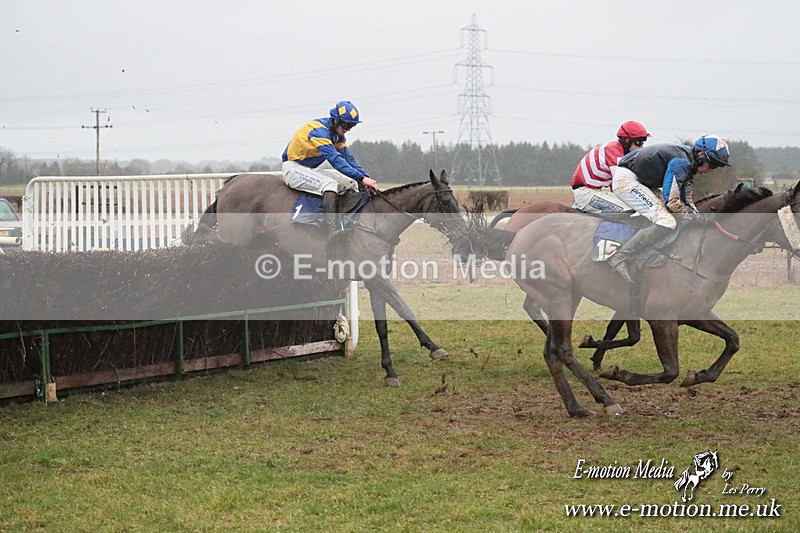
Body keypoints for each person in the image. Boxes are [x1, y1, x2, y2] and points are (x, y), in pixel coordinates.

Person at [607, 134, 731, 283]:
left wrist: (697, 216)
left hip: (641, 181)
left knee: (670, 217)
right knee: (666, 221)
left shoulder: (689, 164)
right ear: (702, 155)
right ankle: (621, 256)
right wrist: (692, 217)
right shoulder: (681, 163)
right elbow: (672, 201)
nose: (712, 169)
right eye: (713, 164)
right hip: (627, 180)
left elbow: (686, 199)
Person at [282, 100, 379, 243]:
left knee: (351, 183)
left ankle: (349, 222)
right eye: (346, 125)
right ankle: (333, 230)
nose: (348, 129)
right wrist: (362, 178)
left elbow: (349, 159)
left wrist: (366, 178)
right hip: (293, 168)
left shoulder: (339, 136)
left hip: (312, 168)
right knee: (329, 184)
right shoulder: (318, 131)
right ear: (335, 120)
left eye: (352, 125)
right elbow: (336, 160)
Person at [571, 121, 651, 213]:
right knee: (631, 210)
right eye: (638, 143)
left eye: (643, 142)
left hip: (594, 191)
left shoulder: (619, 151)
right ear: (627, 141)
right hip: (586, 194)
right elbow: (622, 185)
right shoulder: (615, 153)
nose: (642, 147)